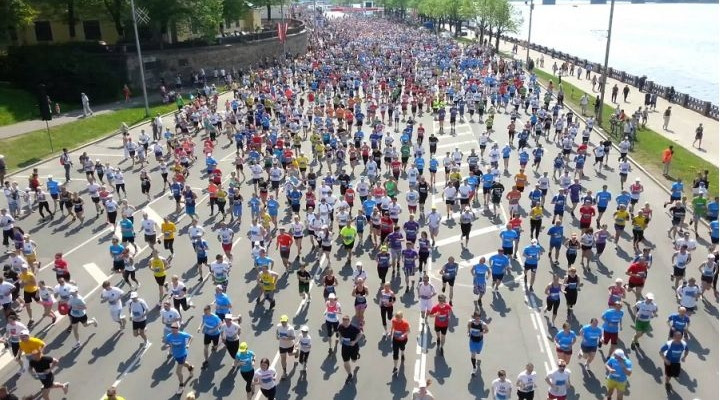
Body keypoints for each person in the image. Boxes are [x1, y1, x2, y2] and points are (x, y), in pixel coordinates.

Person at [164, 323, 194, 391]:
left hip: (182, 354)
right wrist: (167, 346)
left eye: (175, 329)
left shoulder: (182, 334)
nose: (174, 331)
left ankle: (181, 385)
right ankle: (190, 368)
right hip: (176, 355)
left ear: (178, 329)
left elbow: (191, 337)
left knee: (178, 372)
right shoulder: (169, 336)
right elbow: (168, 343)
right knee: (184, 363)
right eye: (172, 329)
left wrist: (188, 344)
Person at [337, 314, 363, 384]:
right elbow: (339, 332)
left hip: (353, 347)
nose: (345, 323)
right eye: (343, 321)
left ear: (349, 321)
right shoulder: (340, 326)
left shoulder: (353, 327)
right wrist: (340, 338)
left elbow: (360, 333)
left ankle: (356, 355)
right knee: (345, 362)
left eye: (346, 321)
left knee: (354, 360)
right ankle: (349, 374)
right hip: (345, 347)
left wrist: (355, 341)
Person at [467, 311, 489, 377]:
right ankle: (474, 367)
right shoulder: (470, 322)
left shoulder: (483, 324)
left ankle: (478, 365)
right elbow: (468, 326)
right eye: (476, 318)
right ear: (473, 317)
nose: (477, 319)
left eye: (478, 318)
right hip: (472, 341)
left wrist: (482, 333)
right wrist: (468, 332)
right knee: (473, 354)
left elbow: (487, 330)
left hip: (479, 341)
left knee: (478, 352)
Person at [275, 314, 296, 379]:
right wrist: (277, 336)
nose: (283, 323)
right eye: (282, 322)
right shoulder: (278, 326)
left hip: (290, 345)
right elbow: (277, 332)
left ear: (287, 321)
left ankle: (297, 352)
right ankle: (284, 372)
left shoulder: (290, 328)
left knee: (290, 354)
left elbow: (293, 337)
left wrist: (287, 338)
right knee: (283, 359)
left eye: (284, 322)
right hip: (282, 346)